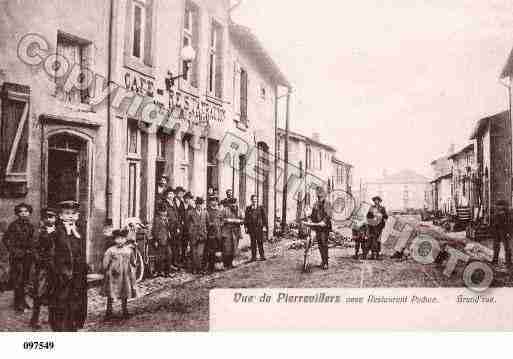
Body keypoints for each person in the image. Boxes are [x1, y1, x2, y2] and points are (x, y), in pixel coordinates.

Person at [49, 200, 87, 332]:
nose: (70, 216)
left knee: (75, 299)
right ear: (60, 216)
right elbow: (52, 253)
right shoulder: (56, 232)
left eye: (73, 213)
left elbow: (80, 250)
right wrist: (59, 270)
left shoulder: (79, 230)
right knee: (61, 300)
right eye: (67, 213)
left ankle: (73, 324)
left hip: (77, 272)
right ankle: (59, 326)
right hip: (62, 273)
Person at [2, 203, 35, 313]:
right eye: (21, 211)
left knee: (25, 279)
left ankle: (23, 300)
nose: (24, 213)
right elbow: (6, 239)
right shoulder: (13, 225)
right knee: (18, 280)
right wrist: (13, 250)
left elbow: (31, 240)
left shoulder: (30, 226)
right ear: (17, 213)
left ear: (29, 213)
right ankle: (18, 304)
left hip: (27, 256)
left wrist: (31, 250)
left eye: (26, 211)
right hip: (17, 257)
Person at [102, 229, 137, 320]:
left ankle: (125, 310)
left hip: (125, 274)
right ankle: (108, 311)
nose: (120, 241)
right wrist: (106, 270)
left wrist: (132, 269)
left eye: (122, 238)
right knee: (111, 292)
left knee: (124, 291)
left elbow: (133, 261)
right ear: (114, 240)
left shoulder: (129, 250)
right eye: (118, 239)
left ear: (125, 239)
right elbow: (105, 262)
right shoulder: (110, 250)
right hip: (114, 274)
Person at [30, 208, 57, 329]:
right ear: (43, 219)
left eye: (51, 217)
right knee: (39, 293)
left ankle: (52, 318)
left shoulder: (59, 231)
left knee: (54, 292)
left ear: (56, 218)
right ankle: (34, 319)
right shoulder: (39, 232)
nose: (49, 219)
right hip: (43, 268)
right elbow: (34, 249)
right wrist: (40, 261)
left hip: (56, 267)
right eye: (46, 217)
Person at [310, 187, 333, 270]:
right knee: (320, 244)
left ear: (324, 195)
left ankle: (326, 262)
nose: (319, 197)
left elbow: (329, 215)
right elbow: (313, 215)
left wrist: (324, 221)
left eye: (321, 196)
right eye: (318, 196)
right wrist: (310, 219)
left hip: (324, 227)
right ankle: (323, 260)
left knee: (324, 243)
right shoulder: (315, 204)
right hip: (318, 227)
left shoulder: (327, 203)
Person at [220, 197, 243, 269]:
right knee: (226, 248)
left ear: (236, 203)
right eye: (231, 203)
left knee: (234, 248)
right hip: (227, 232)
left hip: (236, 232)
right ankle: (225, 264)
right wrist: (227, 220)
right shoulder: (225, 210)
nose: (233, 205)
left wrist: (238, 221)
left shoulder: (239, 210)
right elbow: (220, 219)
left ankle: (230, 263)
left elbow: (243, 220)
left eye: (234, 203)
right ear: (229, 204)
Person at [187, 197, 208, 274]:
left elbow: (207, 223)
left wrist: (205, 232)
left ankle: (199, 268)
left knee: (200, 254)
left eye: (200, 204)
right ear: (195, 204)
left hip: (202, 235)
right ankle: (195, 268)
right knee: (193, 253)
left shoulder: (205, 213)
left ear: (202, 204)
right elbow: (187, 223)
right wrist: (191, 231)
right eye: (198, 204)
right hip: (193, 235)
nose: (199, 206)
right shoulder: (190, 212)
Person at [152, 203, 173, 276]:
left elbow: (169, 229)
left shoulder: (167, 219)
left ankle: (167, 272)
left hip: (167, 240)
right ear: (159, 212)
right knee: (159, 257)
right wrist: (155, 240)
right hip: (160, 240)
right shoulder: (157, 220)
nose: (164, 213)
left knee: (169, 255)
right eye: (163, 212)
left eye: (165, 212)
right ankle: (158, 271)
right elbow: (155, 231)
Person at [244, 195, 268, 262]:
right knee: (253, 243)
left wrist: (264, 226)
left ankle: (262, 256)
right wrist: (245, 227)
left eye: (255, 199)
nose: (254, 201)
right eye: (253, 199)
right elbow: (246, 218)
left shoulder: (260, 208)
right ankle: (253, 257)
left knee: (260, 242)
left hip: (259, 228)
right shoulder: (248, 208)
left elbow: (264, 218)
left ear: (257, 200)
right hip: (251, 228)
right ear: (251, 200)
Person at [163, 188, 181, 270]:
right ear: (167, 195)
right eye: (169, 194)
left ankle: (175, 263)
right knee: (168, 247)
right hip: (168, 227)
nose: (171, 195)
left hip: (175, 228)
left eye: (172, 194)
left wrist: (178, 227)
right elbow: (165, 216)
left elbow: (177, 215)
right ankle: (168, 265)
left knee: (175, 246)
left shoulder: (173, 203)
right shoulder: (164, 203)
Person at [366, 196, 388, 260]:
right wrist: (372, 218)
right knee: (372, 239)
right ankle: (373, 255)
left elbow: (386, 216)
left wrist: (382, 218)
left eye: (377, 200)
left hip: (379, 226)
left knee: (378, 240)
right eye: (375, 200)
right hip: (372, 226)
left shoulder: (382, 208)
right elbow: (368, 216)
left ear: (379, 201)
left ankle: (377, 255)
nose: (376, 201)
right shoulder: (371, 208)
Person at [491, 200, 512, 267]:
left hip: (503, 230)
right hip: (499, 230)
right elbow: (494, 222)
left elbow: (508, 222)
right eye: (498, 208)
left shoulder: (507, 213)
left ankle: (507, 262)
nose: (498, 209)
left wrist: (509, 232)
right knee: (498, 246)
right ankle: (497, 260)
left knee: (506, 247)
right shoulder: (499, 213)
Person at [206, 196, 223, 273]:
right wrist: (211, 224)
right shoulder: (207, 211)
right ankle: (211, 267)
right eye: (212, 201)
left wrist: (220, 224)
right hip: (211, 234)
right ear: (210, 202)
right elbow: (206, 222)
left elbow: (222, 221)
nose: (214, 202)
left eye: (215, 201)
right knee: (211, 251)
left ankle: (218, 266)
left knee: (218, 250)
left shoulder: (219, 211)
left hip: (218, 233)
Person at [174, 186, 187, 266]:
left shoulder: (181, 203)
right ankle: (174, 261)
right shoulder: (173, 202)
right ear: (176, 193)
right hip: (174, 226)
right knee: (175, 244)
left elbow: (183, 214)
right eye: (179, 193)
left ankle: (180, 261)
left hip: (181, 226)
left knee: (181, 244)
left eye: (182, 193)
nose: (181, 194)